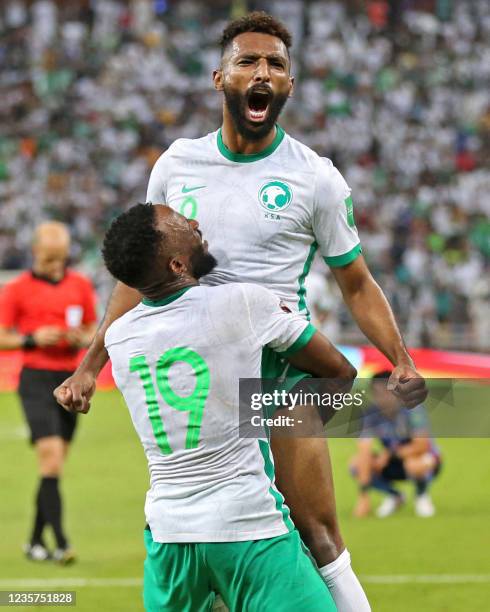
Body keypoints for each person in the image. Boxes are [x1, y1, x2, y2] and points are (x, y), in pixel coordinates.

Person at [55, 12, 428, 610]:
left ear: (289, 85)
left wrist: (400, 359)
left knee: (317, 537)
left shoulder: (315, 179)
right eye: (248, 61)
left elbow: (356, 283)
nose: (262, 72)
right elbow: (137, 274)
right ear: (219, 76)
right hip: (198, 376)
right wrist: (88, 365)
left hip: (278, 377)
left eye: (276, 64)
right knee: (219, 543)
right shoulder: (177, 164)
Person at [88, 202, 357, 611]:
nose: (195, 221)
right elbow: (339, 371)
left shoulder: (120, 339)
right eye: (180, 224)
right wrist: (280, 423)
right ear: (178, 264)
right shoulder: (244, 304)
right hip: (249, 527)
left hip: (169, 539)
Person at [0, 221, 97, 563]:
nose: (57, 264)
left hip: (71, 379)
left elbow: (92, 330)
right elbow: (2, 336)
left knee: (52, 468)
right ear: (37, 251)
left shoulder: (81, 285)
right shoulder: (16, 288)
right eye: (51, 256)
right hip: (36, 380)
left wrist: (78, 338)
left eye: (62, 256)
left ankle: (33, 542)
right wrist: (32, 338)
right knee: (51, 459)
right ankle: (62, 543)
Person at [350, 371, 441, 519]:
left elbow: (422, 445)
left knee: (415, 464)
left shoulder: (412, 410)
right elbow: (364, 450)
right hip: (393, 461)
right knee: (356, 464)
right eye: (377, 393)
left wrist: (389, 454)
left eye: (387, 392)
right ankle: (395, 496)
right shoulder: (370, 414)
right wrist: (363, 496)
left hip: (422, 458)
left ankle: (421, 496)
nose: (382, 397)